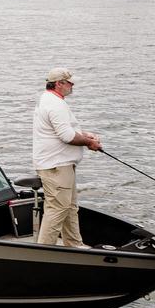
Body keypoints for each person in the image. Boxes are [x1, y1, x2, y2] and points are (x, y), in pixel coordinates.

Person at [31, 66, 100, 247]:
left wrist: (86, 134)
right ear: (59, 83)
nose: (73, 85)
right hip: (56, 166)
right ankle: (43, 251)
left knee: (69, 207)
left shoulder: (51, 100)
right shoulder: (54, 103)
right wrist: (89, 142)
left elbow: (65, 129)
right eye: (70, 82)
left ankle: (74, 245)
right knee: (57, 208)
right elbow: (67, 136)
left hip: (62, 165)